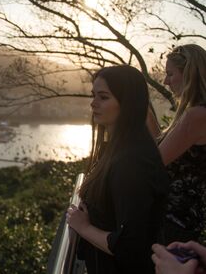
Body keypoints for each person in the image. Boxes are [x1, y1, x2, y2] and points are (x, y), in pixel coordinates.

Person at [67, 65, 169, 273]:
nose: (93, 103)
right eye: (93, 95)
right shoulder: (119, 149)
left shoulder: (132, 162)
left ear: (128, 104)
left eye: (103, 97)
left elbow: (131, 246)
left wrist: (84, 227)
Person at [154, 44, 206, 243]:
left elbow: (154, 163)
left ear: (190, 74)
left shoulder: (196, 116)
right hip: (183, 221)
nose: (166, 81)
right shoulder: (195, 113)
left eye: (170, 74)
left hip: (174, 223)